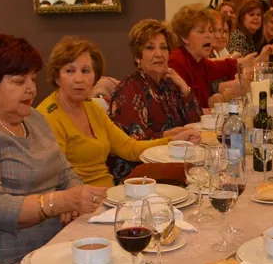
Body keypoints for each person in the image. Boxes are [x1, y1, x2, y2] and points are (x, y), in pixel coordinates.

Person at [0, 34, 106, 264]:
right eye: (19, 81)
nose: (31, 89)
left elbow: (65, 172)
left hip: (58, 246)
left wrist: (73, 198)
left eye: (32, 79)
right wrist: (59, 202)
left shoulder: (34, 118)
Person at [39, 35, 199, 186]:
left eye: (86, 71)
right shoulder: (48, 115)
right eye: (70, 71)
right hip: (79, 198)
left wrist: (173, 141)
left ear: (95, 77)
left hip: (109, 191)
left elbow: (129, 148)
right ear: (57, 77)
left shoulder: (92, 108)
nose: (79, 79)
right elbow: (57, 177)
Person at [108, 22, 203, 180]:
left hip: (171, 161)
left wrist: (184, 88)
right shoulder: (130, 89)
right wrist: (168, 135)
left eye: (163, 47)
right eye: (150, 48)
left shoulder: (168, 84)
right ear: (138, 56)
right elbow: (135, 145)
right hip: (137, 174)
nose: (159, 54)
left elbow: (195, 121)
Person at [168, 4, 252, 108]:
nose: (209, 35)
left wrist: (244, 63)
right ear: (184, 37)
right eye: (201, 31)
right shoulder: (177, 61)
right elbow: (193, 107)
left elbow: (223, 67)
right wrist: (229, 94)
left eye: (210, 30)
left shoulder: (199, 60)